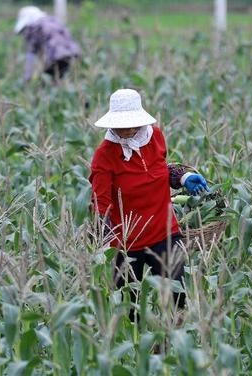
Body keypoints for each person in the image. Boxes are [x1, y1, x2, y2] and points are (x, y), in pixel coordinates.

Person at [89, 89, 209, 322]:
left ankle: (170, 347)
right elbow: (101, 201)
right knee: (128, 308)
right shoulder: (104, 155)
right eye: (121, 125)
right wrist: (103, 240)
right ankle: (136, 353)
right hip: (126, 243)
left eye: (132, 124)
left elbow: (159, 171)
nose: (127, 130)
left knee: (176, 299)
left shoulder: (155, 136)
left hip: (164, 233)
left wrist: (182, 178)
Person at [14, 6, 81, 83]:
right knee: (60, 78)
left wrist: (27, 77)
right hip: (74, 54)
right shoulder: (54, 21)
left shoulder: (34, 28)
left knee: (45, 82)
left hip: (57, 57)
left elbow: (31, 55)